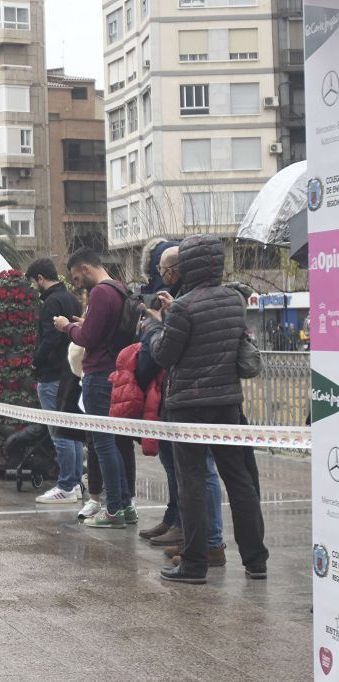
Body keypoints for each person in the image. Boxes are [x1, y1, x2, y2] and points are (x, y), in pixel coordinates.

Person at [146, 235, 269, 584]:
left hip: (189, 406)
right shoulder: (234, 300)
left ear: (187, 265)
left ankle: (194, 564)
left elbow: (164, 355)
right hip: (228, 402)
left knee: (193, 482)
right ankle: (256, 560)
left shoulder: (184, 307)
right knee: (239, 479)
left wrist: (156, 325)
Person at [54, 248, 136, 528]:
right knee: (114, 443)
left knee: (104, 444)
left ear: (86, 268)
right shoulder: (119, 289)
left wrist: (67, 327)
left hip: (98, 376)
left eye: (76, 277)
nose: (76, 283)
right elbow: (103, 330)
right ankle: (125, 505)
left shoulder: (100, 292)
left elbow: (88, 338)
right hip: (115, 372)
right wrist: (84, 324)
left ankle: (112, 509)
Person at [26, 258, 86, 503]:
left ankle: (66, 484)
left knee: (58, 432)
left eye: (33, 282)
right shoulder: (71, 298)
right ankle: (75, 482)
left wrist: (35, 361)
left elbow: (50, 339)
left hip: (51, 374)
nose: (33, 288)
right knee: (71, 430)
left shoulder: (51, 302)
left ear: (41, 278)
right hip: (70, 371)